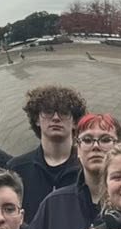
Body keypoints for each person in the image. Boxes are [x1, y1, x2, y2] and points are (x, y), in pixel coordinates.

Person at [29, 113, 121, 229]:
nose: (96, 146)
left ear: (120, 147)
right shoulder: (54, 204)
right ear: (77, 149)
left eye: (105, 139)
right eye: (87, 139)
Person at [9, 84, 88, 214]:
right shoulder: (17, 168)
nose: (56, 118)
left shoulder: (87, 168)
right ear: (37, 120)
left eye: (64, 112)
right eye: (48, 112)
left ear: (75, 122)